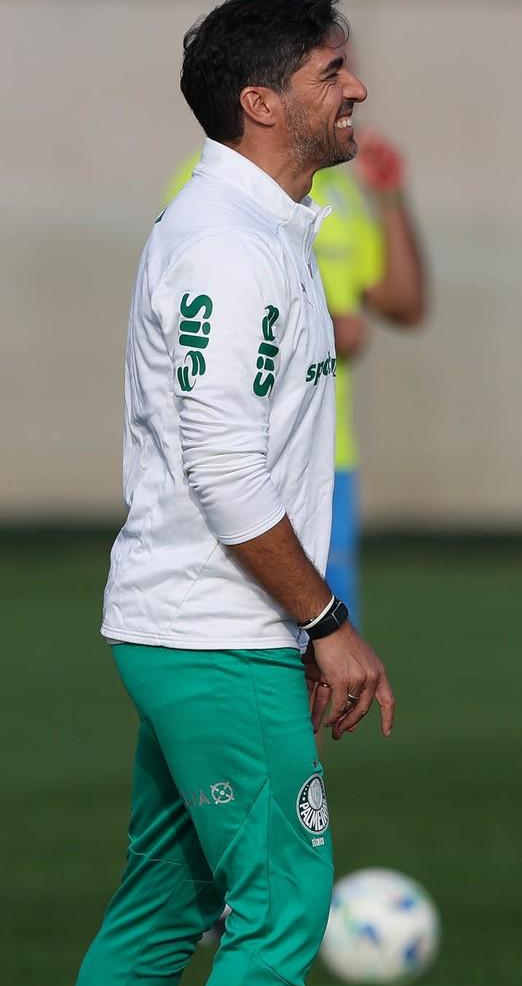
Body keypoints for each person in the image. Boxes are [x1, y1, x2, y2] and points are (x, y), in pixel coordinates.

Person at [73, 0, 395, 986]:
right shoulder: (227, 244)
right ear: (262, 102)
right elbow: (222, 467)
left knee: (165, 908)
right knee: (283, 908)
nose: (356, 87)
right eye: (329, 73)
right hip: (217, 633)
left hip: (198, 624)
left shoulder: (262, 227)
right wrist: (326, 623)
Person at [164, 127, 427, 628]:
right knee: (247, 632)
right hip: (243, 457)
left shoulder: (336, 194)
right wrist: (321, 326)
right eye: (329, 74)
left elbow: (404, 305)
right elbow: (203, 306)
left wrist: (391, 199)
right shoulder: (206, 186)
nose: (353, 90)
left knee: (329, 647)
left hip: (328, 458)